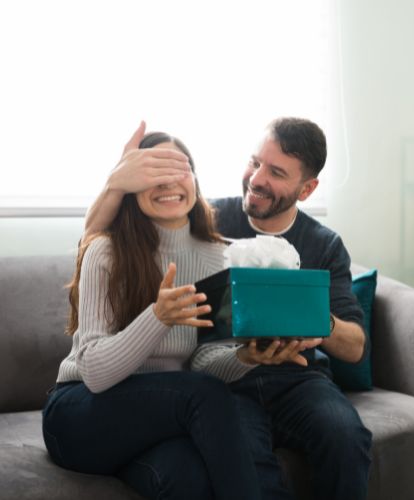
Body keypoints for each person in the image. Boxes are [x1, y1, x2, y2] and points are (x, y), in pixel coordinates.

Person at [84, 118, 373, 500]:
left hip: (298, 380)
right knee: (247, 460)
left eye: (276, 172)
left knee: (346, 437)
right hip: (225, 381)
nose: (256, 178)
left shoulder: (324, 244)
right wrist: (116, 182)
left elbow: (355, 348)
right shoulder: (207, 220)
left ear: (307, 188)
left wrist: (316, 316)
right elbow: (95, 240)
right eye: (255, 162)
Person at [42, 131, 263, 500]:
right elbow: (95, 374)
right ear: (131, 186)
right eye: (154, 172)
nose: (169, 182)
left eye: (181, 169)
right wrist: (157, 317)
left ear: (194, 179)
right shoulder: (106, 251)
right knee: (204, 396)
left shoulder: (219, 256)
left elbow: (202, 362)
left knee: (186, 478)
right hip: (80, 413)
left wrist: (244, 358)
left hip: (157, 420)